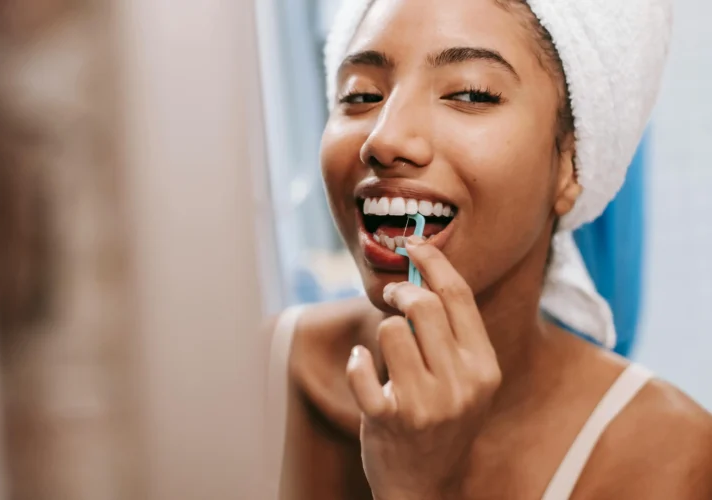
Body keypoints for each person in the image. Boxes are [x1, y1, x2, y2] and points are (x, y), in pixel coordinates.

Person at [264, 1, 712, 498]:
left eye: (471, 93)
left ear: (572, 163)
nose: (384, 138)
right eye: (361, 95)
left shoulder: (666, 460)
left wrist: (416, 488)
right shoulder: (249, 370)